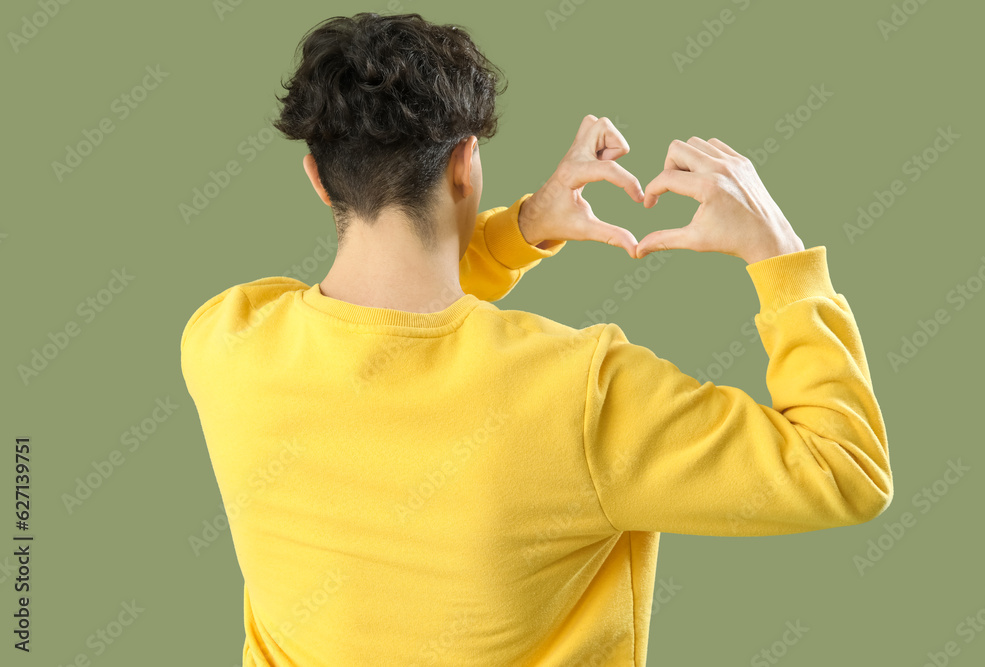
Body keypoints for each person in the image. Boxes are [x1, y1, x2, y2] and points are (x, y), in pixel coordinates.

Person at [180, 12, 892, 667]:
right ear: (465, 165)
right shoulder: (581, 393)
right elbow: (844, 468)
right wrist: (779, 257)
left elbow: (389, 323)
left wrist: (522, 229)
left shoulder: (224, 340)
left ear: (317, 178)